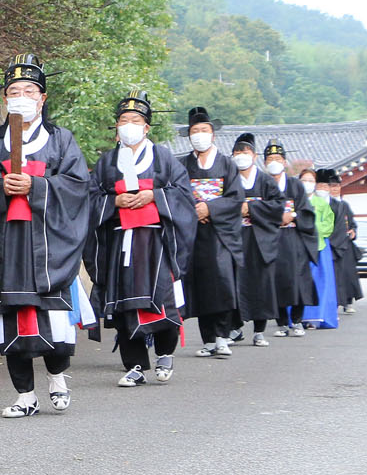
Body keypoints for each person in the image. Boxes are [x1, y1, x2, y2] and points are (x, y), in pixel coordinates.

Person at [0, 54, 94, 417]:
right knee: (10, 320)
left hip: (46, 245)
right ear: (5, 99)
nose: (21, 96)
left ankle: (58, 377)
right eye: (14, 91)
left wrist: (37, 187)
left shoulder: (60, 140)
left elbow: (78, 187)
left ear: (42, 98)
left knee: (51, 316)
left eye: (29, 90)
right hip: (5, 243)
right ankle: (25, 395)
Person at [89, 95, 197, 387]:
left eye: (136, 121)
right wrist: (114, 201)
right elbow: (89, 198)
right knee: (124, 303)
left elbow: (185, 197)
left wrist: (155, 196)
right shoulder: (106, 162)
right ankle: (135, 365)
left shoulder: (164, 159)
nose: (129, 126)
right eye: (124, 121)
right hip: (119, 241)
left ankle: (165, 352)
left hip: (157, 242)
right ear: (116, 128)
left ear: (146, 128)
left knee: (162, 297)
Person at [179, 106, 244, 359]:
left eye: (204, 130)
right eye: (195, 131)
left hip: (220, 234)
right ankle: (207, 338)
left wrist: (210, 208)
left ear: (213, 134)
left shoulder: (227, 164)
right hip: (194, 233)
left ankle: (222, 335)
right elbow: (177, 192)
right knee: (200, 286)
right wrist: (194, 209)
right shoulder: (182, 164)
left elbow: (236, 198)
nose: (200, 134)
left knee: (222, 283)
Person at [231, 133, 288, 347]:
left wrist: (251, 208)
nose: (241, 156)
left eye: (245, 152)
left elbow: (277, 206)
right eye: (237, 152)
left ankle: (259, 330)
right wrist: (238, 208)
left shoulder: (264, 180)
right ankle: (234, 327)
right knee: (235, 281)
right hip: (235, 237)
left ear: (254, 156)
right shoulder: (231, 178)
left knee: (261, 283)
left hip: (259, 238)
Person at [260, 141, 317, 336]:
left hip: (293, 237)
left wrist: (291, 216)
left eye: (277, 159)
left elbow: (307, 212)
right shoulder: (262, 184)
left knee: (298, 278)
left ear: (284, 162)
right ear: (264, 164)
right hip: (271, 237)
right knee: (276, 279)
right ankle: (282, 322)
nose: (274, 162)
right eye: (269, 159)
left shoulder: (295, 185)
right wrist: (275, 218)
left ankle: (298, 320)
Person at [298, 162, 340, 330]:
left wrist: (312, 230)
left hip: (319, 247)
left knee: (320, 282)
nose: (307, 183)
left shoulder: (322, 204)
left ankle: (318, 315)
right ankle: (297, 316)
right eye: (304, 180)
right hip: (299, 247)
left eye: (310, 180)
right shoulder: (294, 201)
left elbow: (328, 226)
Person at [324, 169, 364, 312]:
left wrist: (353, 231)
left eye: (337, 187)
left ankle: (348, 302)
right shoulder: (326, 204)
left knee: (348, 274)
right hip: (332, 243)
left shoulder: (345, 205)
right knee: (334, 274)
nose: (335, 189)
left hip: (346, 244)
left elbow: (352, 223)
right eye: (332, 187)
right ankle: (333, 302)